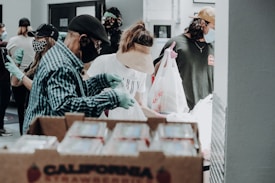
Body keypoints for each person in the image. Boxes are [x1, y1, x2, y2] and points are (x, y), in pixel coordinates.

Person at [23, 14, 135, 134]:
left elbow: (73, 91)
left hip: (47, 131)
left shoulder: (62, 56)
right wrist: (112, 98)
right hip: (43, 138)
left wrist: (101, 81)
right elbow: (67, 107)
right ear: (83, 40)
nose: (97, 51)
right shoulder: (60, 66)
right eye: (97, 45)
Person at [87, 20, 165, 118]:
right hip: (103, 122)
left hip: (127, 124)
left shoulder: (140, 71)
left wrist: (162, 118)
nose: (137, 63)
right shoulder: (104, 62)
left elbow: (138, 104)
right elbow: (87, 96)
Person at [153, 6, 215, 110]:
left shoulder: (213, 47)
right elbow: (156, 72)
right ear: (203, 24)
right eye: (214, 28)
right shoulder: (176, 43)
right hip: (180, 109)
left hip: (206, 110)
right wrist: (166, 59)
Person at [5, 23, 59, 91]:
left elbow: (41, 90)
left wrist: (22, 76)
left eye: (39, 37)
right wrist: (17, 65)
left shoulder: (54, 64)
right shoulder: (34, 63)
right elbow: (15, 83)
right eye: (35, 37)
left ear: (49, 40)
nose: (35, 40)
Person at [6, 17, 35, 135]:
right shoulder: (34, 40)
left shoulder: (13, 40)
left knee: (20, 108)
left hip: (16, 76)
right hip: (31, 76)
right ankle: (30, 132)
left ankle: (22, 133)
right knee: (30, 107)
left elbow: (8, 54)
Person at [0, 23, 12, 136]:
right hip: (2, 80)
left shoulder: (3, 46)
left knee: (4, 103)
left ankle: (1, 126)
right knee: (2, 103)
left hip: (4, 79)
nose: (4, 32)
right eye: (3, 30)